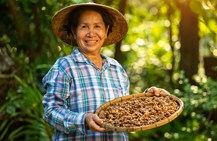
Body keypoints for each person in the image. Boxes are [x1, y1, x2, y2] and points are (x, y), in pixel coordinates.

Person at [42, 2, 169, 141]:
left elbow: (126, 110)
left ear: (106, 30)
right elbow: (50, 112)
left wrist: (150, 99)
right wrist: (84, 119)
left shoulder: (117, 69)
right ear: (74, 31)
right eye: (84, 27)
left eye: (97, 26)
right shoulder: (64, 67)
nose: (91, 33)